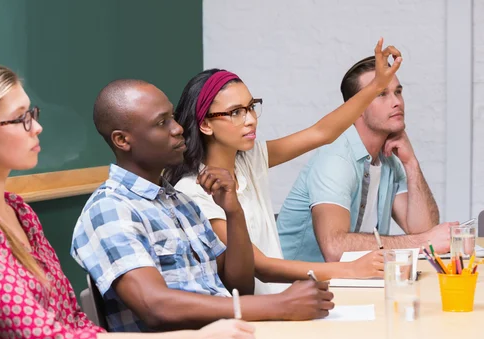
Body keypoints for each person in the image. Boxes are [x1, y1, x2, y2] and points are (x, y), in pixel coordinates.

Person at [0, 63, 255, 339]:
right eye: (21, 118)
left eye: (32, 113)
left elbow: (70, 319)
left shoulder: (18, 212)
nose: (36, 127)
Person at [71, 79, 334, 333]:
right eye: (162, 123)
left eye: (173, 117)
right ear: (122, 140)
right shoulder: (110, 209)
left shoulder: (180, 202)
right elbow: (155, 306)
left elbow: (239, 287)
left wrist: (233, 211)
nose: (178, 128)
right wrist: (279, 304)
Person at [165, 39, 399, 288]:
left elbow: (322, 133)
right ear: (205, 124)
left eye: (251, 107)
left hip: (282, 302)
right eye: (236, 112)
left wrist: (377, 87)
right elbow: (261, 266)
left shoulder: (248, 160)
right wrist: (349, 270)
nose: (251, 119)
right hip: (254, 316)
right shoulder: (193, 190)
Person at [276, 54, 456, 263]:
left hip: (351, 284)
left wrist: (411, 163)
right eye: (382, 94)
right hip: (296, 287)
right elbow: (335, 249)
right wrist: (422, 242)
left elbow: (423, 230)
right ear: (357, 107)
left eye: (398, 92)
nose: (397, 102)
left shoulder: (389, 161)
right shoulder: (337, 159)